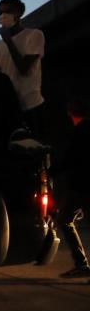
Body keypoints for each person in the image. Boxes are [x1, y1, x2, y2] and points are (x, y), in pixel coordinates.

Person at [0, 0, 45, 137]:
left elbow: (23, 68)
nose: (3, 16)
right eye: (0, 12)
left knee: (36, 147)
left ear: (19, 14)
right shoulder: (0, 45)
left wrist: (9, 40)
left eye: (8, 11)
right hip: (9, 107)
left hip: (31, 105)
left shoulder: (34, 35)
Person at [57, 97, 90, 279]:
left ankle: (82, 264)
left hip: (81, 187)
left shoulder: (79, 133)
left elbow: (69, 160)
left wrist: (50, 171)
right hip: (83, 187)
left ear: (70, 113)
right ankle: (82, 265)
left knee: (65, 220)